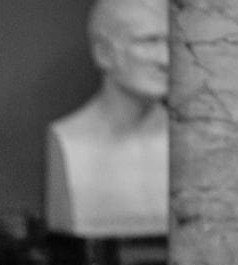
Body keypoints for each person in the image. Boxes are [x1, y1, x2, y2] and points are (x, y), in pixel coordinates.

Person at [45, 0, 168, 237]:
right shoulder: (70, 141)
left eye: (171, 43)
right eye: (148, 41)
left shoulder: (196, 144)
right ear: (104, 52)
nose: (165, 60)